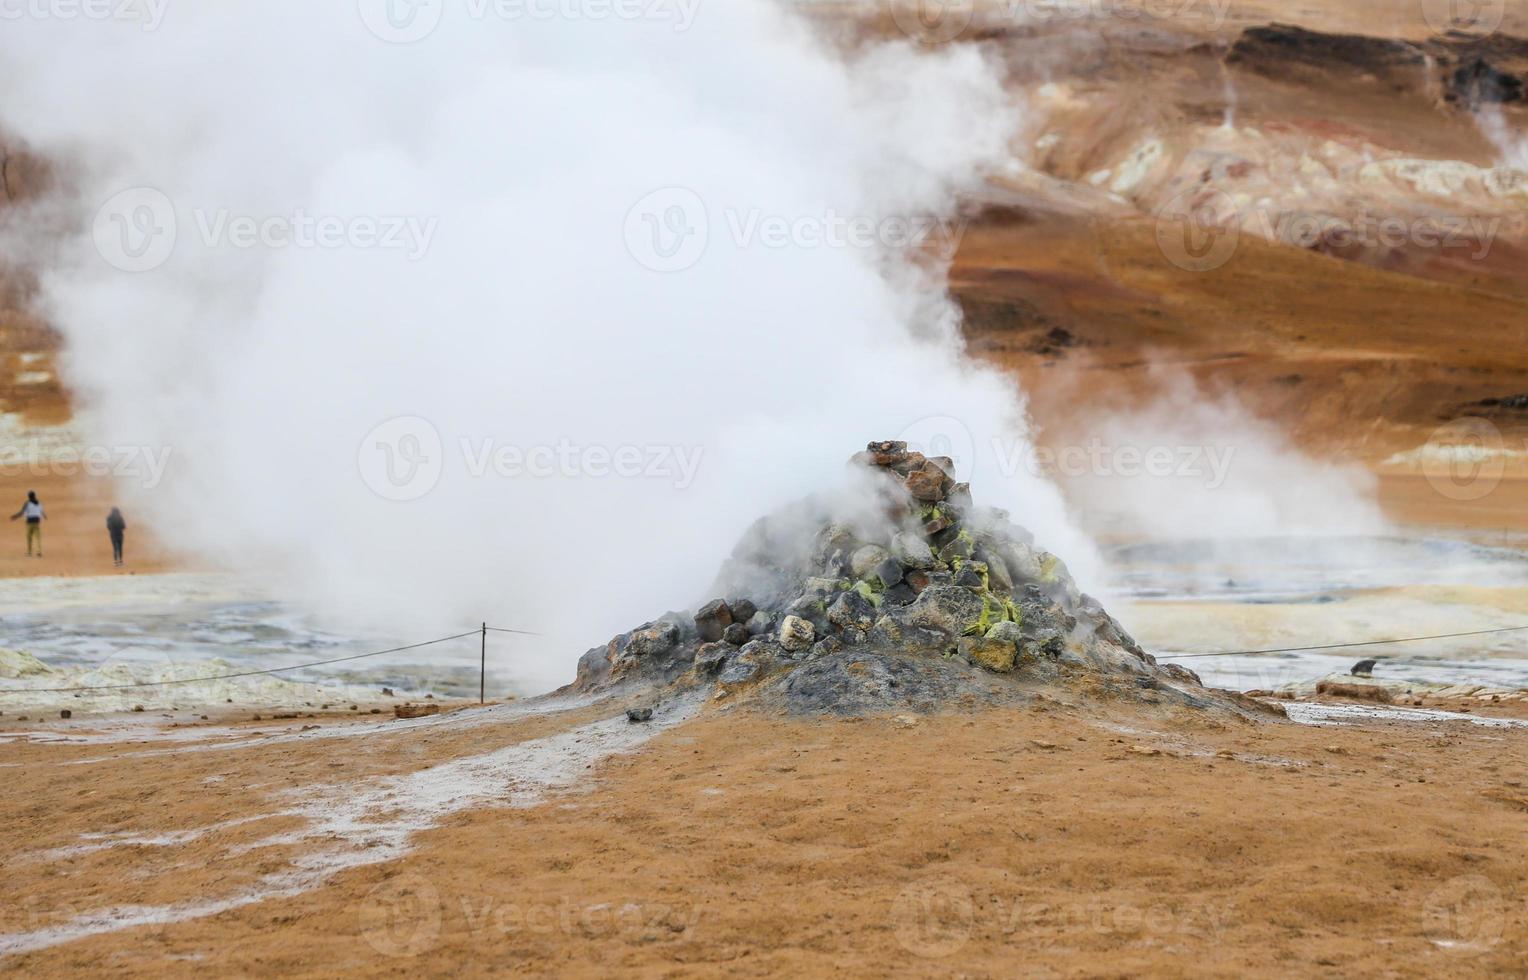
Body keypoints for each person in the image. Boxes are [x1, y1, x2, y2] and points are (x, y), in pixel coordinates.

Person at [10, 490, 45, 557]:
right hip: (37, 522)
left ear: (28, 496)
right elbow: (41, 511)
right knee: (38, 537)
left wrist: (15, 516)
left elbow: (21, 512)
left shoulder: (27, 503)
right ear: (34, 496)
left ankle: (29, 552)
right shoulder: (39, 503)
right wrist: (44, 515)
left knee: (29, 537)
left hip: (29, 522)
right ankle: (39, 551)